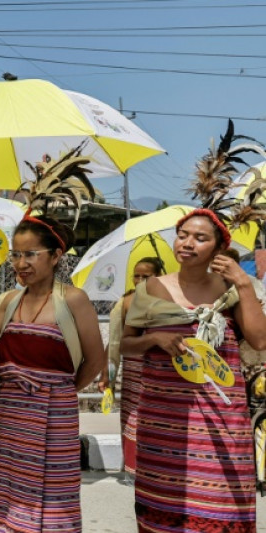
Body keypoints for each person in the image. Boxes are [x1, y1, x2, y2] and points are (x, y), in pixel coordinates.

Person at [121, 209, 266, 532]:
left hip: (222, 418)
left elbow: (259, 339)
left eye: (200, 238)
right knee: (163, 506)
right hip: (163, 421)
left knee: (223, 503)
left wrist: (243, 281)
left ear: (217, 249)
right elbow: (126, 345)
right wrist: (155, 338)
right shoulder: (150, 290)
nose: (187, 243)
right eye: (183, 235)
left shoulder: (232, 290)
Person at [0, 215, 105, 533]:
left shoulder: (74, 300)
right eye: (15, 255)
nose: (20, 263)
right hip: (8, 418)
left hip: (54, 420)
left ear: (56, 256)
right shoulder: (6, 300)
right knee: (8, 496)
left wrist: (62, 392)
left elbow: (96, 360)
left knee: (54, 499)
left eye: (31, 254)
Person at [99, 256, 164, 483]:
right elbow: (114, 342)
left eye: (146, 276)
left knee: (160, 419)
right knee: (132, 418)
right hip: (135, 370)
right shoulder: (125, 302)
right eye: (136, 275)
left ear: (158, 276)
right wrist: (108, 375)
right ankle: (133, 471)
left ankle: (160, 470)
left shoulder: (171, 300)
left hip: (162, 371)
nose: (140, 280)